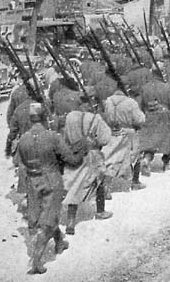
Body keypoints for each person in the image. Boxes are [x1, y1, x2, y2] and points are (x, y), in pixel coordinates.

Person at [16, 102, 86, 274]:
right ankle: (36, 261)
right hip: (51, 179)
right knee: (48, 219)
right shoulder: (52, 137)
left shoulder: (22, 139)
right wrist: (83, 148)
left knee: (46, 213)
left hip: (32, 181)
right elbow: (71, 160)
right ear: (44, 117)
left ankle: (59, 241)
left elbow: (20, 163)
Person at [63, 95, 113, 235]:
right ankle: (100, 211)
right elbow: (105, 139)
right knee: (98, 181)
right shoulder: (95, 118)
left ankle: (71, 222)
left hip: (74, 154)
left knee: (75, 186)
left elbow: (66, 137)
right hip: (92, 156)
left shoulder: (70, 117)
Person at [102, 86, 146, 190]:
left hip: (112, 132)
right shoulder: (131, 102)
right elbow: (140, 120)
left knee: (112, 158)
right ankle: (135, 182)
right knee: (136, 155)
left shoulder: (108, 101)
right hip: (128, 132)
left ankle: (106, 186)